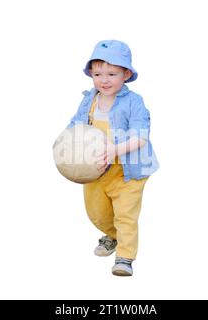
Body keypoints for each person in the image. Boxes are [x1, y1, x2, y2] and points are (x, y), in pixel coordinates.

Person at [67, 40, 159, 276]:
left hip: (128, 172)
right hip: (96, 170)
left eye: (112, 73)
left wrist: (115, 150)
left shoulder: (133, 102)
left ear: (126, 74)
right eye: (97, 74)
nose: (104, 80)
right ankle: (114, 235)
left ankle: (125, 257)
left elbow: (140, 137)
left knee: (125, 214)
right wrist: (64, 145)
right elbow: (76, 127)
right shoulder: (90, 99)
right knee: (97, 212)